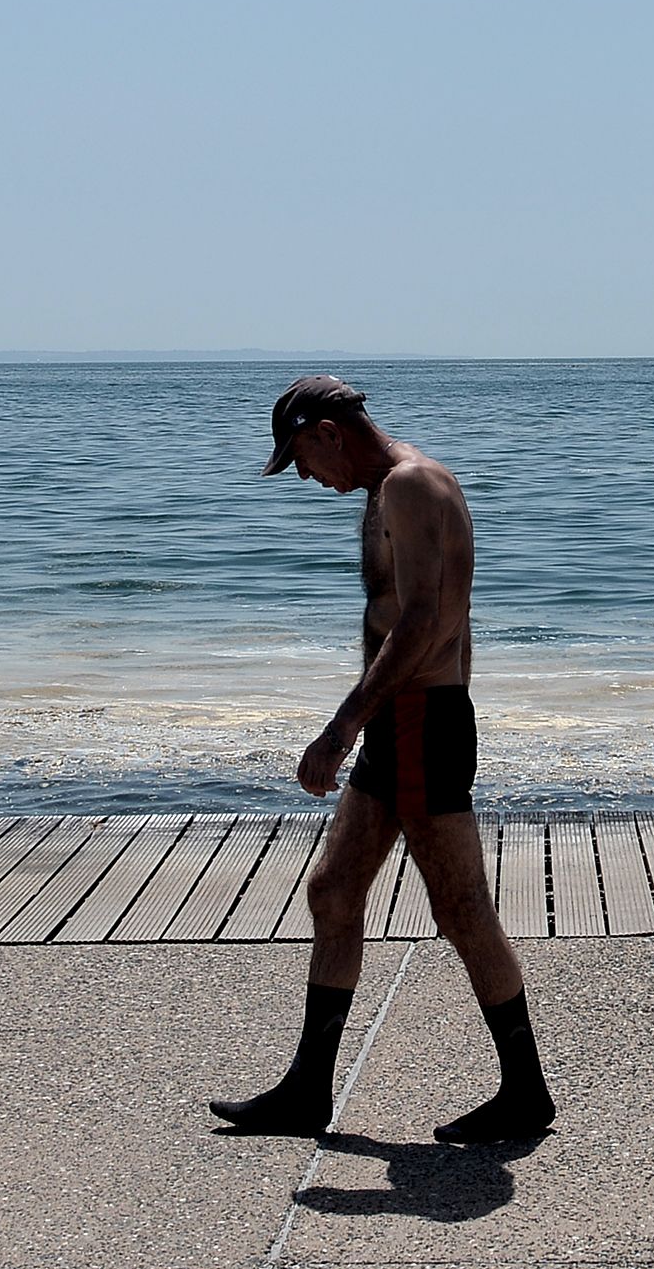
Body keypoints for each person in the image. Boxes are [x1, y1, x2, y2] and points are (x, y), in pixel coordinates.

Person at [210, 374, 557, 1146]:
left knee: (460, 907)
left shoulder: (412, 484)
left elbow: (424, 623)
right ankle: (307, 1091)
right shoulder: (387, 491)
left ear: (329, 432)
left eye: (300, 457)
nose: (305, 476)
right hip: (397, 723)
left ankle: (527, 1090)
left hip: (421, 723)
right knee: (334, 890)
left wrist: (340, 727)